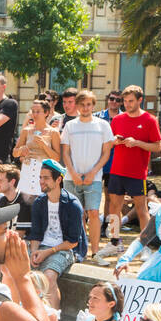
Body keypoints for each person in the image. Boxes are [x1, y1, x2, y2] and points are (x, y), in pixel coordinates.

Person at [99, 85, 161, 260]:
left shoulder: (150, 120)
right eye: (124, 101)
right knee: (113, 206)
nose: (126, 104)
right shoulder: (118, 119)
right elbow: (110, 142)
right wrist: (116, 142)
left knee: (141, 209)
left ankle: (145, 245)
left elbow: (157, 146)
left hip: (137, 172)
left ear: (140, 100)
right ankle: (114, 241)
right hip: (117, 170)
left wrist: (137, 143)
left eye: (130, 101)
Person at [22, 159, 84, 309]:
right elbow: (36, 234)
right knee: (21, 271)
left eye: (46, 178)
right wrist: (35, 251)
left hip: (65, 249)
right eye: (40, 177)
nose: (41, 181)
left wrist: (47, 252)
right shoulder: (39, 202)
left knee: (48, 277)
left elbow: (73, 242)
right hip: (42, 246)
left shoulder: (72, 205)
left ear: (58, 180)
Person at [60, 99, 114, 257]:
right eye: (82, 104)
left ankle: (95, 251)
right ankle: (79, 249)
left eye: (89, 104)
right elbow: (65, 152)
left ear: (93, 106)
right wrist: (73, 173)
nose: (85, 108)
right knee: (76, 215)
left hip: (94, 178)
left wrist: (93, 172)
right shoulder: (70, 126)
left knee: (94, 213)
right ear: (77, 106)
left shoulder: (102, 125)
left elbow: (106, 153)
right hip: (71, 178)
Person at [11, 99, 60, 200]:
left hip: (43, 174)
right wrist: (21, 150)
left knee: (41, 206)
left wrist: (44, 145)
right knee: (24, 207)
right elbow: (14, 153)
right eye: (33, 111)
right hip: (27, 172)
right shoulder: (26, 130)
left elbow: (57, 158)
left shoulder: (53, 132)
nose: (34, 114)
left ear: (46, 113)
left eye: (38, 111)